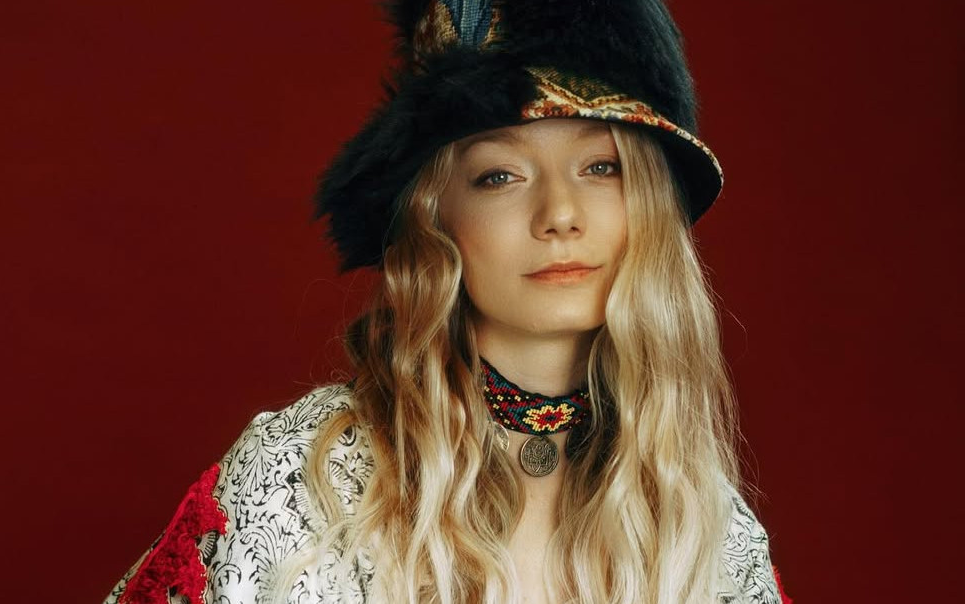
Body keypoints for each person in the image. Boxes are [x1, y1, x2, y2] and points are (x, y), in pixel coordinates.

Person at [104, 1, 791, 603]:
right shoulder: (302, 478)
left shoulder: (704, 517)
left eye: (601, 167)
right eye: (500, 176)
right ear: (436, 218)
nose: (560, 214)